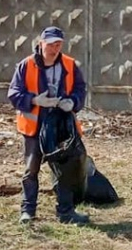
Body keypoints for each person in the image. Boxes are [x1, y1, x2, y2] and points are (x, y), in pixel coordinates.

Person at [8, 26, 89, 225]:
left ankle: (65, 212)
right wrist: (34, 100)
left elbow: (80, 89)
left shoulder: (70, 65)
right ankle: (28, 211)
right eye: (51, 44)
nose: (54, 48)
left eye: (58, 44)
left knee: (65, 170)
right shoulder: (26, 65)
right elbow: (13, 94)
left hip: (61, 126)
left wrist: (73, 102)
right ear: (41, 43)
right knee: (31, 170)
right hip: (35, 128)